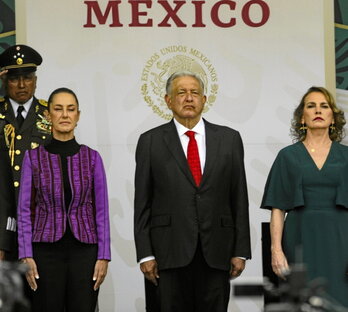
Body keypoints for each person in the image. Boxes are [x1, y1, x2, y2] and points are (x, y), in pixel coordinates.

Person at [134, 71, 251, 312]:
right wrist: (145, 254)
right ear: (168, 100)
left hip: (217, 252)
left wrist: (240, 250)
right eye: (181, 92)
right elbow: (142, 203)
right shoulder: (150, 141)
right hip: (168, 253)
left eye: (194, 93)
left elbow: (239, 197)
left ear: (204, 99)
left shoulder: (229, 139)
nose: (189, 98)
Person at [17, 87, 111, 312]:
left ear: (78, 115)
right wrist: (25, 254)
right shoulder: (33, 158)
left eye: (71, 109)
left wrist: (103, 256)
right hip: (44, 254)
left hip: (85, 253)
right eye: (58, 109)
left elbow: (102, 211)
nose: (65, 115)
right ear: (48, 115)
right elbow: (24, 210)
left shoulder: (92, 158)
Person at [261, 86, 348, 306]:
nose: (318, 110)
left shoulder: (347, 156)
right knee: (300, 303)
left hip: (341, 241)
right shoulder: (287, 156)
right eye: (311, 106)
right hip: (299, 239)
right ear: (302, 117)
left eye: (324, 106)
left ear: (332, 117)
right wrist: (276, 250)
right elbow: (278, 208)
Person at [0, 45, 51, 261]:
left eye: (28, 77)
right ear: (4, 81)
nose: (22, 85)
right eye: (14, 78)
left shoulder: (50, 114)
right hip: (3, 227)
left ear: (36, 80)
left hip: (42, 227)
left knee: (43, 294)